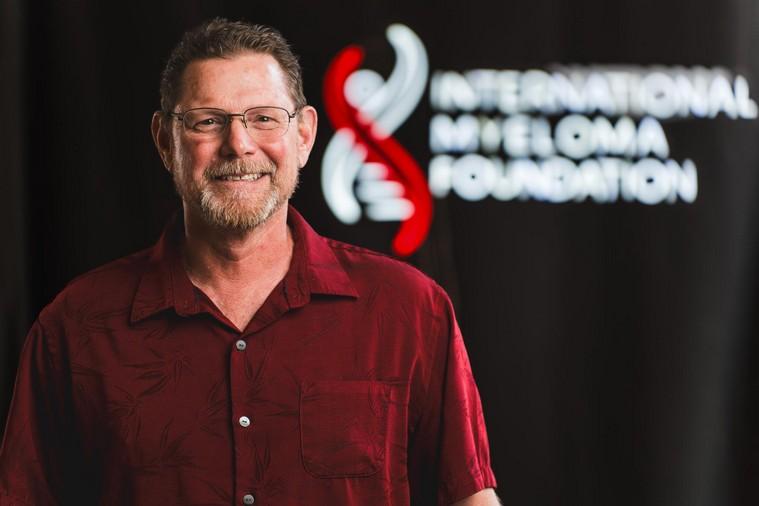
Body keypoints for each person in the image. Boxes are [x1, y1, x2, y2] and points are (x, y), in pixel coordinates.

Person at [0, 18, 498, 505]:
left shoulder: (409, 311)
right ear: (165, 142)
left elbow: (469, 497)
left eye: (264, 118)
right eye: (208, 121)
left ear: (304, 135)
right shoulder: (76, 327)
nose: (238, 144)